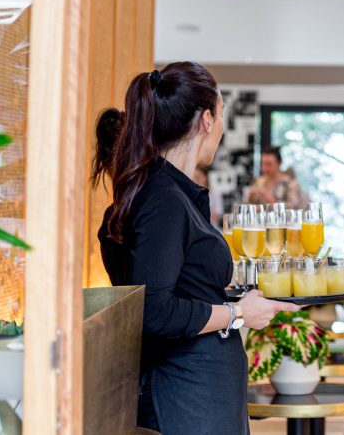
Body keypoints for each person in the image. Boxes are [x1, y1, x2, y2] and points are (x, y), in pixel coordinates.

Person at [93, 63, 299, 435]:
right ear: (206, 120)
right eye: (221, 115)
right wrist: (239, 313)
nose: (220, 126)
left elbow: (178, 286)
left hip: (198, 390)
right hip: (188, 394)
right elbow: (155, 309)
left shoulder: (169, 193)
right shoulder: (164, 199)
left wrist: (231, 298)